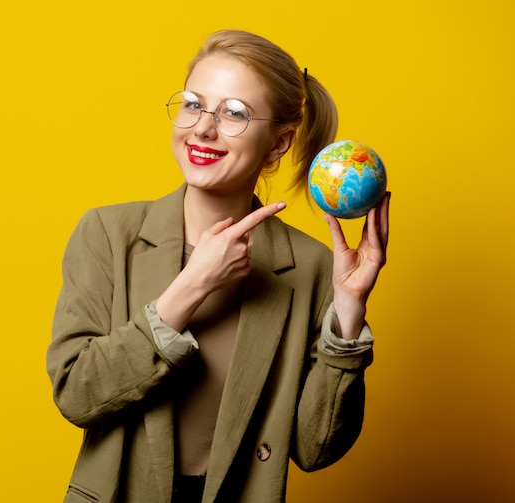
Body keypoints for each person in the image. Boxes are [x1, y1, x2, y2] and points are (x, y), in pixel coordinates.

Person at [47, 29, 390, 503]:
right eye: (193, 104)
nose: (203, 128)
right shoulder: (107, 234)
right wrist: (191, 286)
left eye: (234, 113)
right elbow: (76, 393)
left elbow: (316, 449)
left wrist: (348, 315)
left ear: (278, 144)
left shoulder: (314, 269)